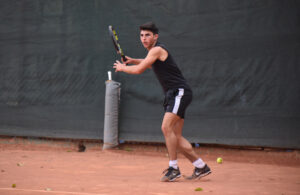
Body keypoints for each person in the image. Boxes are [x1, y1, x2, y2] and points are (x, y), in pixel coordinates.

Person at [113, 21, 211, 182]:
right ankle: (201, 166)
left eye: (147, 35)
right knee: (176, 138)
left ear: (155, 36)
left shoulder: (157, 49)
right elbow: (150, 65)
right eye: (142, 35)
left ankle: (173, 168)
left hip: (179, 93)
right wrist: (133, 60)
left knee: (166, 127)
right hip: (175, 94)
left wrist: (123, 68)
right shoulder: (154, 52)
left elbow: (139, 70)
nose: (144, 38)